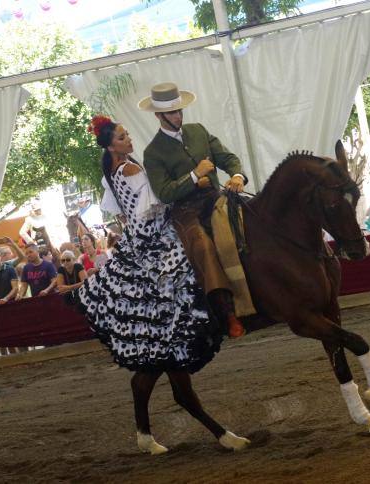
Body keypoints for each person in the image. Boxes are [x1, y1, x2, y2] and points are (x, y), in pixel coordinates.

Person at [78, 115, 247, 455]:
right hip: (154, 236)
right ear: (112, 144)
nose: (129, 140)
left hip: (138, 237)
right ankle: (222, 312)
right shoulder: (130, 169)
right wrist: (197, 176)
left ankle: (145, 432)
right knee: (192, 262)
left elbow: (123, 210)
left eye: (127, 135)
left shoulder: (113, 171)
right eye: (123, 137)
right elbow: (162, 197)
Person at [141, 82, 247, 338]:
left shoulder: (198, 131)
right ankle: (228, 313)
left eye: (179, 111)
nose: (178, 116)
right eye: (172, 113)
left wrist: (236, 175)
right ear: (159, 116)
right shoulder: (152, 152)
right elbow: (164, 192)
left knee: (252, 219)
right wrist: (193, 175)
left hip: (215, 197)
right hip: (186, 211)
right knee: (203, 247)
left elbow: (226, 157)